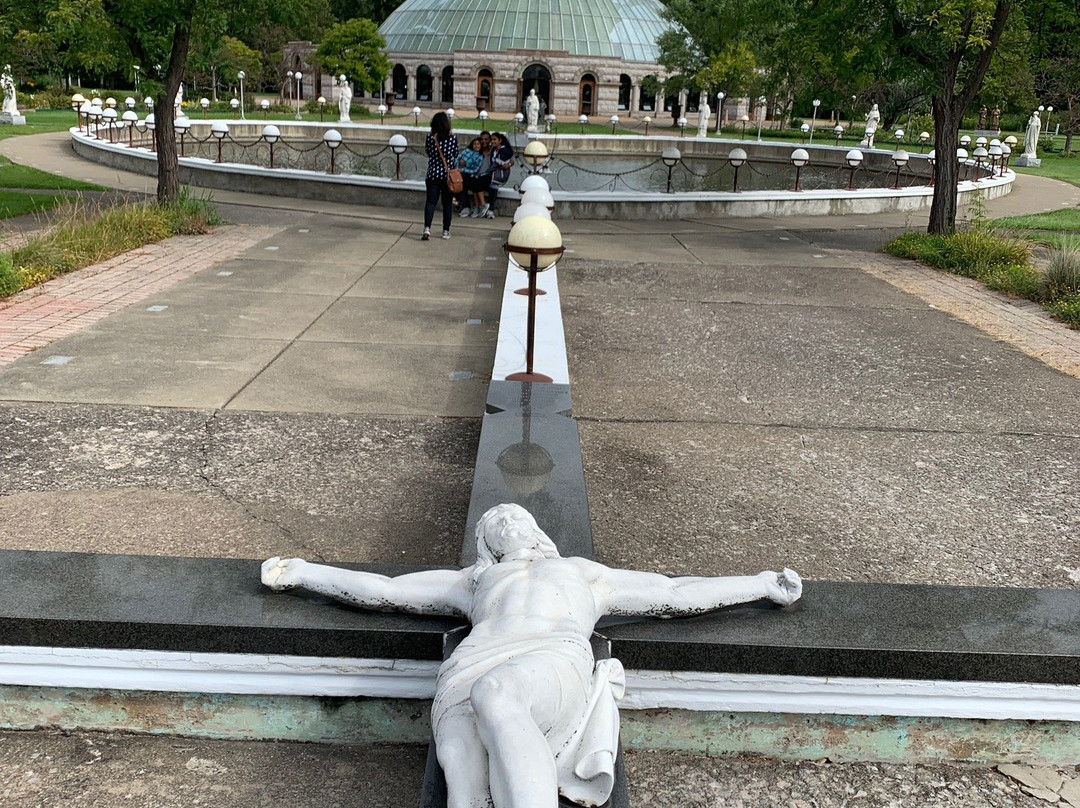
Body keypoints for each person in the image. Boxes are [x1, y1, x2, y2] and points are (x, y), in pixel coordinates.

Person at [262, 502, 802, 808]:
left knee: (497, 695)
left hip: (548, 656)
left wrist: (758, 584)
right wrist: (304, 573)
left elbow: (674, 594)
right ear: (489, 543)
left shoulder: (585, 574)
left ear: (536, 528)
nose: (508, 523)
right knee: (464, 777)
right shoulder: (473, 580)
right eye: (497, 523)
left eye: (515, 516)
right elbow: (383, 588)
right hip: (472, 661)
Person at [422, 111, 459, 240]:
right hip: (447, 176)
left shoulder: (430, 137)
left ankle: (427, 228)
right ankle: (446, 231)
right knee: (447, 203)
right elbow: (455, 153)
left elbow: (428, 151)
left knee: (430, 202)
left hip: (432, 173)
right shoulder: (452, 138)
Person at [468, 131, 495, 218]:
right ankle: (477, 207)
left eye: (486, 139)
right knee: (473, 180)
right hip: (477, 175)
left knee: (477, 181)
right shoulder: (478, 150)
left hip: (488, 176)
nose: (484, 141)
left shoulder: (493, 150)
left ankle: (483, 205)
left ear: (490, 140)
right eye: (482, 139)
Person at [488, 133, 515, 218]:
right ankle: (488, 209)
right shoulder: (494, 150)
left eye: (495, 139)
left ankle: (490, 209)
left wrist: (509, 164)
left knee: (493, 186)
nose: (493, 141)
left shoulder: (504, 151)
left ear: (500, 140)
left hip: (500, 174)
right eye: (491, 140)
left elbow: (502, 163)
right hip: (494, 173)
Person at [457, 137, 483, 217]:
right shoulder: (466, 151)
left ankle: (466, 206)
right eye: (474, 144)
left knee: (462, 185)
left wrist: (463, 170)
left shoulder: (479, 157)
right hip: (458, 172)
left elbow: (475, 170)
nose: (476, 146)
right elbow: (458, 158)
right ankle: (460, 205)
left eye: (478, 144)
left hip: (468, 175)